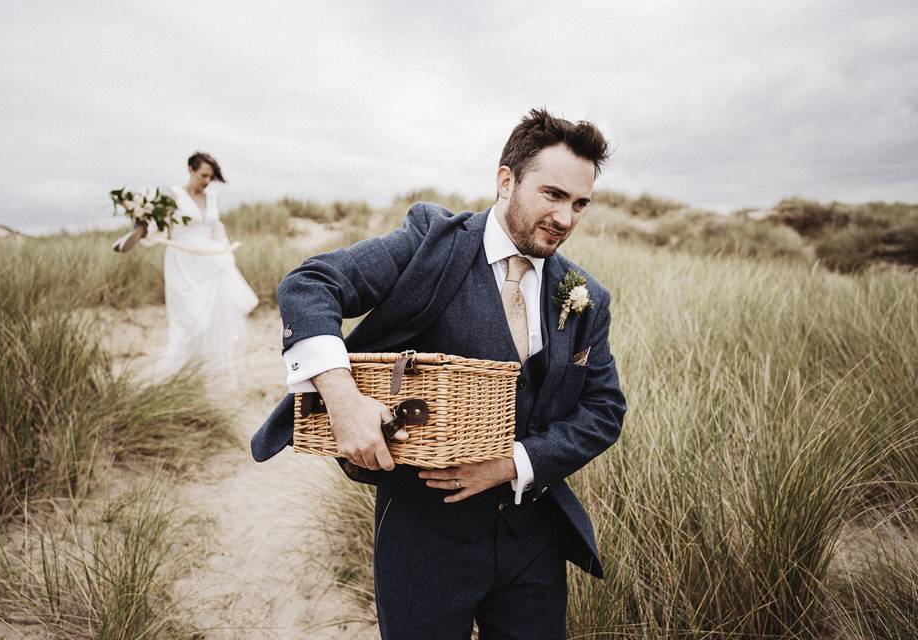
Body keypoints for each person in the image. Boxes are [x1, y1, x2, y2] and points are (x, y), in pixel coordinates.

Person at [251, 109, 627, 639]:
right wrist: (342, 399)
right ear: (505, 181)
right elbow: (310, 284)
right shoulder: (432, 241)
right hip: (423, 538)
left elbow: (604, 411)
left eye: (579, 203)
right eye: (552, 195)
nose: (566, 219)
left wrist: (512, 464)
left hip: (533, 536)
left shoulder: (586, 296)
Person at [138, 152, 257, 388]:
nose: (206, 181)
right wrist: (141, 222)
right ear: (190, 169)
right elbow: (158, 231)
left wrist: (226, 252)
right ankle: (172, 376)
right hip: (183, 263)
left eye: (210, 177)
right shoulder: (173, 195)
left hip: (212, 262)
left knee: (216, 319)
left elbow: (217, 229)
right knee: (190, 320)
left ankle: (207, 376)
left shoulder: (211, 197)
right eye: (203, 175)